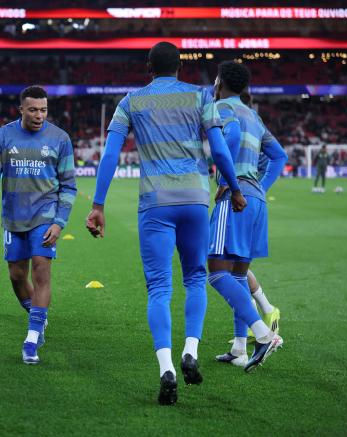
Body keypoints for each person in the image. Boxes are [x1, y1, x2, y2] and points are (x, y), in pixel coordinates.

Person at [86, 42, 245, 406]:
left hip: (155, 202)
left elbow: (110, 154)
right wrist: (234, 187)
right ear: (180, 67)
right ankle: (191, 349)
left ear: (148, 67)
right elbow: (219, 151)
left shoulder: (131, 101)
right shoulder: (201, 97)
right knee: (195, 278)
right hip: (194, 197)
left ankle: (166, 369)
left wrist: (98, 204)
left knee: (159, 287)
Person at [0, 85, 77, 365]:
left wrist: (59, 223)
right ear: (21, 109)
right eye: (34, 109)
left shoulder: (60, 139)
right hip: (14, 218)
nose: (39, 115)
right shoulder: (2, 137)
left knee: (41, 269)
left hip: (45, 216)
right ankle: (38, 316)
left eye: (44, 110)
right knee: (16, 275)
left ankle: (32, 339)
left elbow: (69, 186)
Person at [208, 61, 287, 371]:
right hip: (256, 201)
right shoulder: (253, 115)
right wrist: (261, 188)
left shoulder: (222, 109)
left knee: (216, 272)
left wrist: (227, 180)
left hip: (235, 199)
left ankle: (262, 334)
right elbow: (279, 155)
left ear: (220, 82)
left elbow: (231, 136)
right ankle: (240, 348)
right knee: (239, 275)